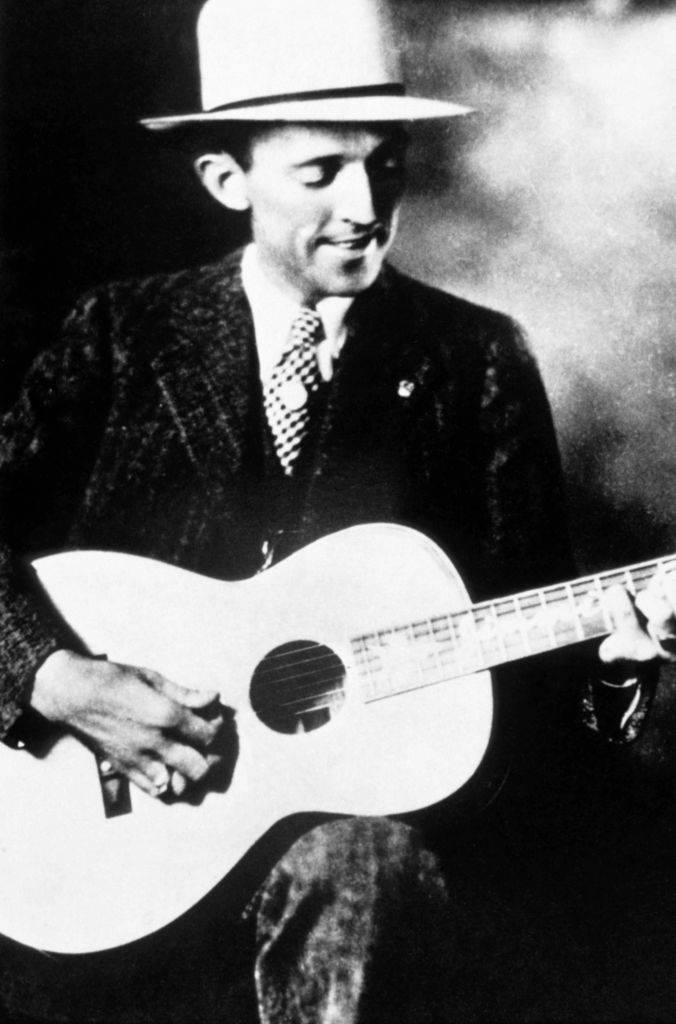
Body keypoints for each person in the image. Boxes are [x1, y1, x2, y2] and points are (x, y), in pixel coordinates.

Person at [1, 0, 675, 1021]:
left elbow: (538, 701)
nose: (366, 205)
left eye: (386, 164)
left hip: (359, 861)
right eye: (320, 172)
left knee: (362, 864)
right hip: (96, 854)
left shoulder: (476, 361)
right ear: (226, 180)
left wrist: (614, 673)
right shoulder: (121, 335)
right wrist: (55, 678)